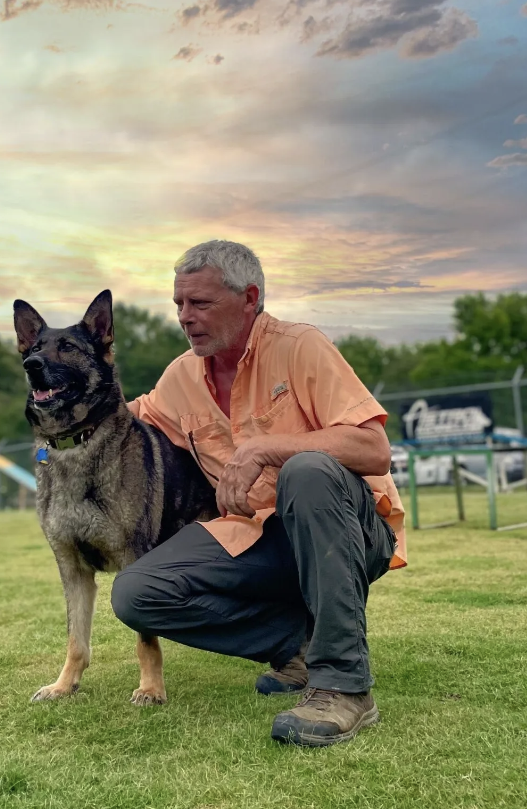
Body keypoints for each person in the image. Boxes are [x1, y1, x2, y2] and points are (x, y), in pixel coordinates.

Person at [112, 240, 407, 747]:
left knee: (307, 471)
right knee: (136, 593)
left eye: (200, 303)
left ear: (249, 298)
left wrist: (267, 449)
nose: (185, 317)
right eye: (179, 304)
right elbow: (122, 423)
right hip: (254, 538)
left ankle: (343, 685)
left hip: (350, 532)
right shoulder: (180, 376)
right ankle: (297, 647)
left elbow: (373, 448)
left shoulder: (301, 346)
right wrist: (63, 388)